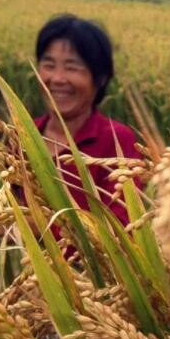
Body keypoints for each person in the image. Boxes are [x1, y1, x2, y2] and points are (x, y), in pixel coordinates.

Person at [33, 14, 142, 225]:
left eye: (72, 67)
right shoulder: (23, 135)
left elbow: (121, 229)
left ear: (100, 79)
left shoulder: (117, 142)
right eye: (49, 65)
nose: (57, 79)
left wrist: (35, 226)